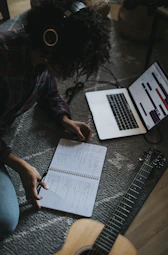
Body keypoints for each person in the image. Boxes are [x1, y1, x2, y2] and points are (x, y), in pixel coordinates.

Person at [0, 0, 110, 239]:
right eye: (69, 64)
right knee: (6, 221)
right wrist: (20, 165)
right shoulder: (3, 57)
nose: (68, 72)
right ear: (50, 44)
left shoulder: (42, 57)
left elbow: (48, 90)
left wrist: (63, 118)